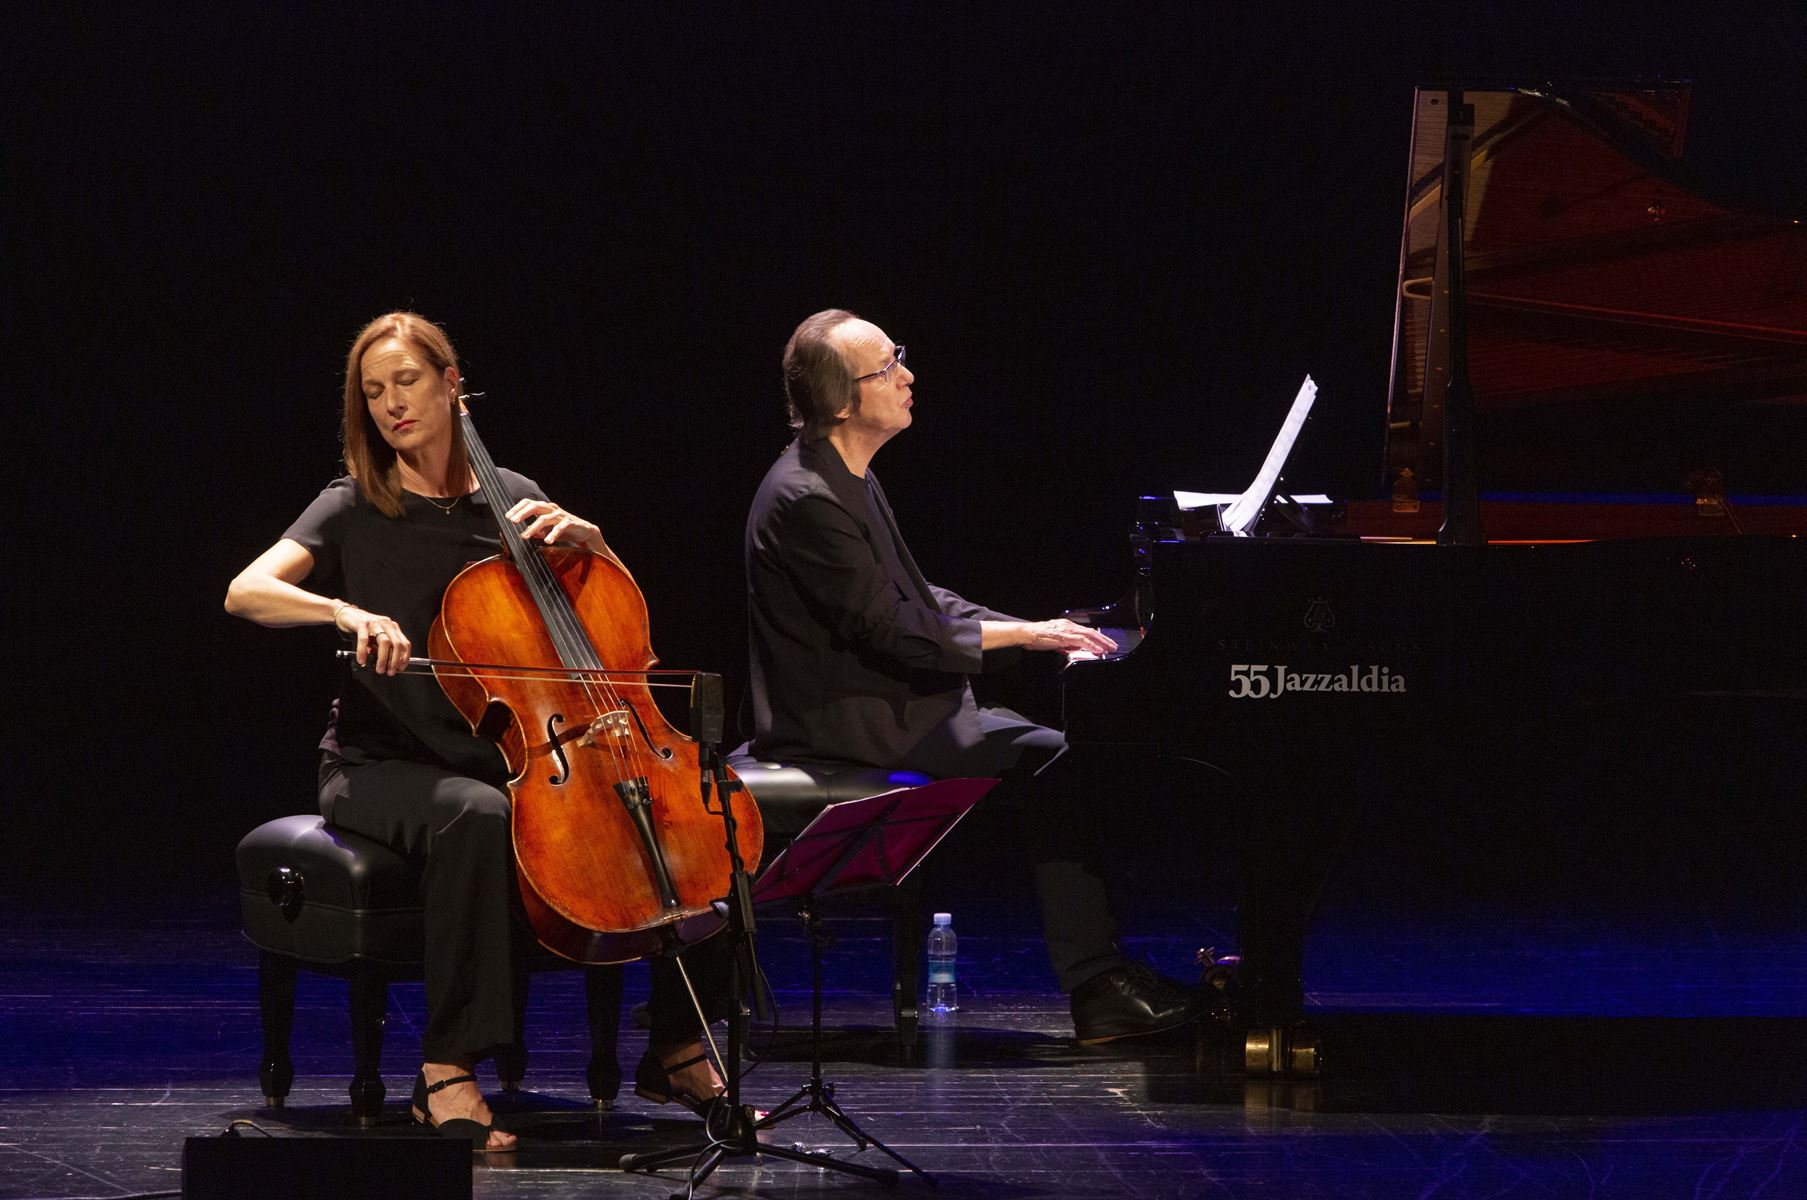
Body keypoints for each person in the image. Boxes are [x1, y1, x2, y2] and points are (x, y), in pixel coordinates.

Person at [226, 312, 734, 1150]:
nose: (393, 404)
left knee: (697, 809)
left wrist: (596, 542)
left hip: (522, 753)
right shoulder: (354, 502)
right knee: (478, 813)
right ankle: (446, 1071)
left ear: (451, 382)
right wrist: (343, 610)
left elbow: (612, 635)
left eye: (408, 382)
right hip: (380, 763)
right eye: (375, 391)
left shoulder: (519, 499)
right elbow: (246, 590)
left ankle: (680, 1045)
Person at [744, 309, 1204, 1043]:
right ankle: (1097, 985)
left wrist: (1037, 626)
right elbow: (896, 629)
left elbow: (917, 598)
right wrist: (1026, 635)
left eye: (900, 355)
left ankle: (1102, 978)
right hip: (849, 721)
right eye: (886, 366)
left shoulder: (844, 476)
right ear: (840, 403)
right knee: (1057, 760)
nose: (907, 374)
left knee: (1060, 754)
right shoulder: (807, 498)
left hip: (891, 701)